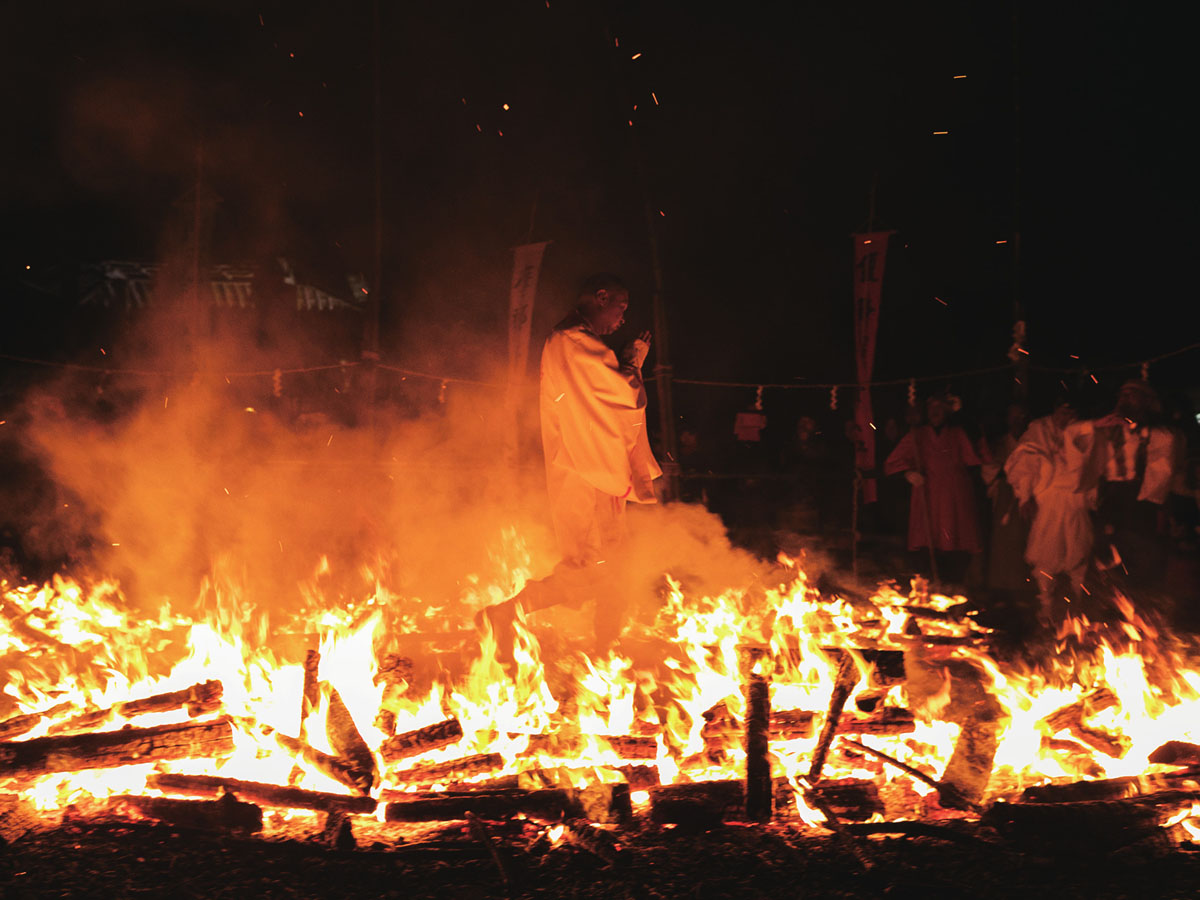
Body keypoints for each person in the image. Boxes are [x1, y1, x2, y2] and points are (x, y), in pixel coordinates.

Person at [481, 274, 662, 650]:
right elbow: (623, 394)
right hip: (586, 473)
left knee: (609, 567)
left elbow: (601, 403)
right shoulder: (574, 341)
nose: (622, 319)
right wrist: (634, 360)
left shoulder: (571, 342)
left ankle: (605, 648)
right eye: (620, 307)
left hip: (587, 469)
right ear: (601, 297)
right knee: (592, 570)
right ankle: (507, 614)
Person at [1070, 379, 1176, 594]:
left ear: (1145, 401)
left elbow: (1166, 456)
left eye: (1131, 394)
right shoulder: (1104, 430)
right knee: (1105, 549)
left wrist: (1138, 428)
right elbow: (1071, 435)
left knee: (1139, 552)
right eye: (1122, 394)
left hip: (1140, 498)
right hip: (1111, 496)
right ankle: (1104, 601)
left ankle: (1138, 602)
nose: (1124, 398)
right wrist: (1095, 425)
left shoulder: (1157, 433)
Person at [1004, 396, 1091, 624]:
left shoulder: (1083, 430)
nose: (1066, 418)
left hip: (1075, 500)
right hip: (1049, 500)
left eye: (1071, 414)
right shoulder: (1039, 430)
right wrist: (1025, 496)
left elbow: (1091, 463)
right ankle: (1046, 605)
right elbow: (1025, 462)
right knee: (1046, 553)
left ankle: (1079, 604)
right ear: (1055, 411)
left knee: (1078, 550)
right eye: (1062, 412)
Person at [884, 394, 982, 586]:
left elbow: (977, 455)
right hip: (927, 493)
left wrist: (961, 415)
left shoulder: (958, 433)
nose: (935, 413)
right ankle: (926, 585)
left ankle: (953, 586)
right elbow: (892, 463)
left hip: (954, 495)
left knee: (954, 538)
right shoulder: (917, 435)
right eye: (931, 409)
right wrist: (908, 473)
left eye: (940, 408)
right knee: (927, 539)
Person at [982, 402, 1030, 597]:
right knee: (1003, 543)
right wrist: (1004, 472)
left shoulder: (1031, 443)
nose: (1017, 421)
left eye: (1021, 417)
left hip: (1027, 498)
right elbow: (989, 468)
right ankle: (1000, 588)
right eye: (1014, 417)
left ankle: (1022, 587)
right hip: (1005, 496)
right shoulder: (1000, 444)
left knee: (1025, 542)